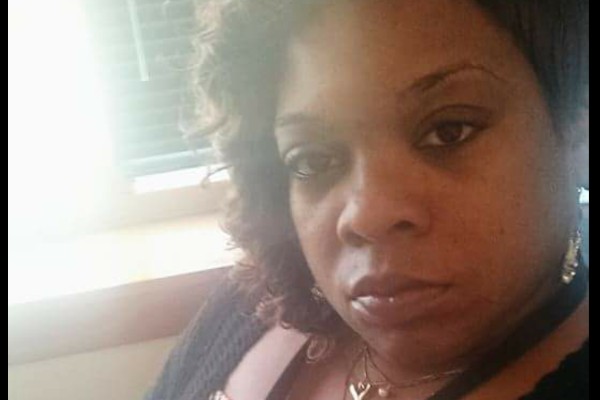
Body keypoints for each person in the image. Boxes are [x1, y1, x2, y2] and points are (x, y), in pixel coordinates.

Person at [147, 0, 589, 399]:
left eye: (448, 131)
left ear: (576, 133)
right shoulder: (251, 303)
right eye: (313, 160)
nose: (367, 216)